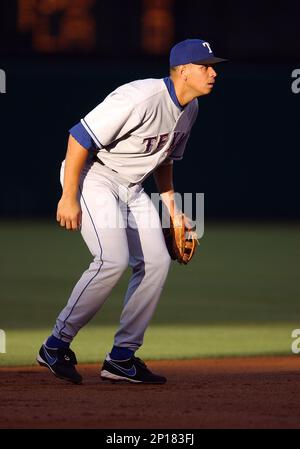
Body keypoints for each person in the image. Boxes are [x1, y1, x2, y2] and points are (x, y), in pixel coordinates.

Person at [37, 39, 226, 385]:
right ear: (183, 71)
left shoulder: (191, 108)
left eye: (213, 66)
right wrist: (68, 196)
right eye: (205, 66)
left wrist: (173, 208)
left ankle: (122, 357)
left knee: (156, 261)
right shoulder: (140, 98)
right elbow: (79, 137)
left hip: (132, 186)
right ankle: (55, 344)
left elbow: (165, 158)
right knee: (111, 259)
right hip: (93, 175)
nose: (213, 72)